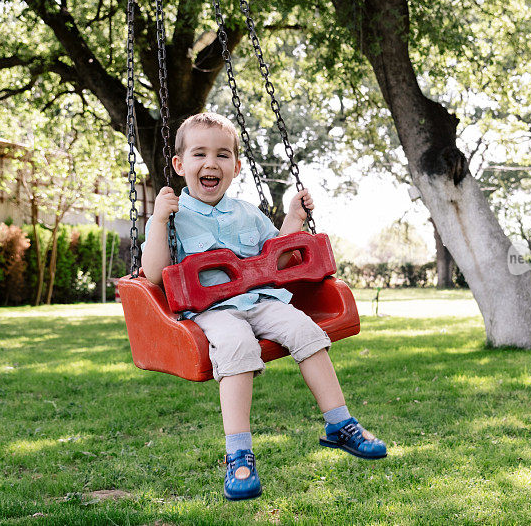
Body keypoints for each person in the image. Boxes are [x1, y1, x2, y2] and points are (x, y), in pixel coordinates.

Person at [141, 112, 386, 501]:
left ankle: (340, 425)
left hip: (260, 301)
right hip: (213, 311)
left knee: (306, 329)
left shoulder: (247, 213)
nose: (211, 163)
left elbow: (280, 257)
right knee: (238, 345)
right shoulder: (174, 216)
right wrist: (157, 220)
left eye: (222, 155)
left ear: (236, 167)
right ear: (179, 164)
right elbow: (153, 274)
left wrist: (294, 217)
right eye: (199, 154)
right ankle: (238, 453)